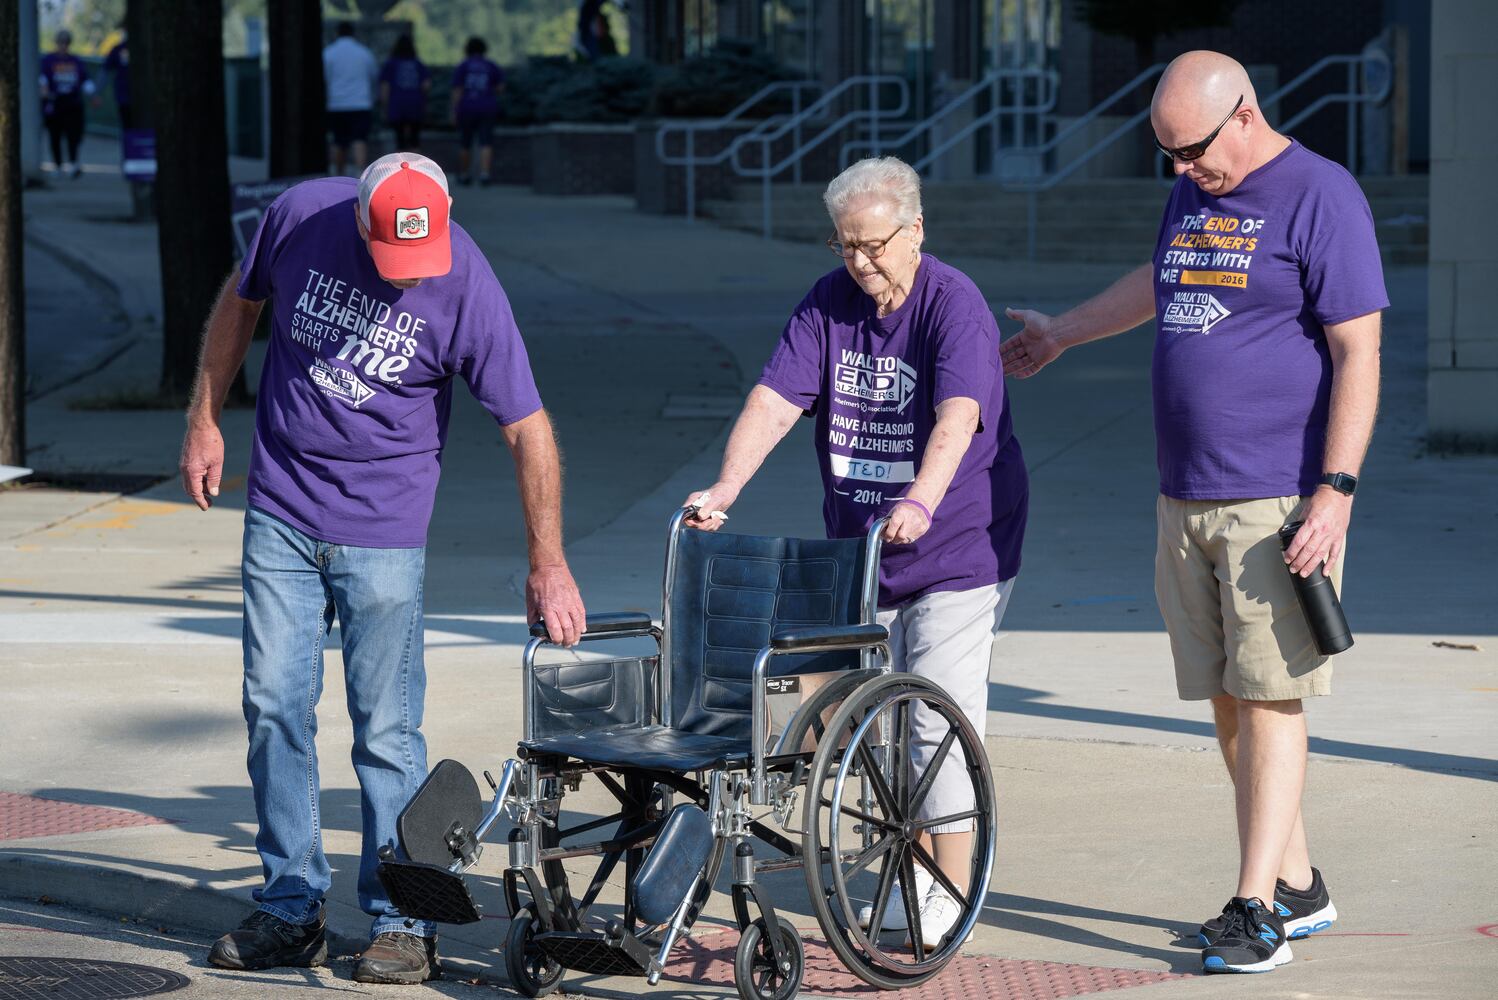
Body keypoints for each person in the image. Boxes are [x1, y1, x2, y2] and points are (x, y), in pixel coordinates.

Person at [1000, 51, 1385, 975]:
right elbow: (1162, 276)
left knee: (1270, 699)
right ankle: (1296, 884)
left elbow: (1359, 353)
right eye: (1167, 155)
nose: (1181, 172)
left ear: (1244, 114)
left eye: (1194, 153)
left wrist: (1335, 494)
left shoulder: (1320, 195)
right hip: (1187, 494)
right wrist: (1064, 332)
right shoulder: (1196, 190)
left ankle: (1255, 910)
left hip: (1278, 501)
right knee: (1223, 699)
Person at [181, 153, 586, 984]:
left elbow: (529, 428)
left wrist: (549, 561)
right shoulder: (300, 215)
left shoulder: (463, 274)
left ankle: (403, 918)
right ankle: (292, 905)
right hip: (283, 513)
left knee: (387, 733)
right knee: (273, 708)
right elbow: (241, 300)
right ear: (360, 222)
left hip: (385, 530)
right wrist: (205, 417)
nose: (409, 278)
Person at [684, 156, 1028, 952]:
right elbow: (774, 400)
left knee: (931, 718)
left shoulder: (954, 305)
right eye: (847, 246)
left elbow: (958, 416)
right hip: (862, 547)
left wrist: (919, 498)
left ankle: (946, 886)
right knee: (840, 708)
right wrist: (726, 485)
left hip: (957, 543)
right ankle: (894, 843)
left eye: (874, 244)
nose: (861, 261)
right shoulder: (829, 301)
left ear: (915, 232)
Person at [323, 21, 378, 175]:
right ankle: (362, 175)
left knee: (339, 142)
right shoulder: (364, 53)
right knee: (360, 140)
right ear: (353, 33)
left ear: (337, 33)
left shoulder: (329, 53)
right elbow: (373, 76)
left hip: (336, 104)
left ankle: (339, 174)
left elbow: (324, 79)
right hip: (361, 103)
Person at [450, 37, 505, 186]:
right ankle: (485, 174)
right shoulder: (491, 65)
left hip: (467, 107)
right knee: (486, 142)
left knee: (465, 143)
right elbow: (500, 88)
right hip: (487, 107)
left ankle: (465, 174)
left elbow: (457, 90)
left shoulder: (463, 66)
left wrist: (454, 111)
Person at [39, 29, 93, 179]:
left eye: (66, 42)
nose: (63, 45)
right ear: (56, 43)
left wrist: (93, 95)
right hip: (55, 103)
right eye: (60, 42)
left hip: (72, 103)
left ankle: (73, 163)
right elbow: (43, 80)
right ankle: (57, 165)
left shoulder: (76, 61)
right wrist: (44, 92)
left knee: (73, 135)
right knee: (54, 135)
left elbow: (84, 80)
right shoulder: (48, 60)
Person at [379, 34, 430, 152]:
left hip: (397, 104)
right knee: (415, 139)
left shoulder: (391, 63)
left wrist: (384, 105)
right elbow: (426, 85)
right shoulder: (418, 63)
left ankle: (401, 166)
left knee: (400, 140)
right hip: (415, 105)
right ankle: (416, 165)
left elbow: (385, 86)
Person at [103, 27, 131, 129]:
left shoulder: (143, 48)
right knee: (126, 125)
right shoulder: (118, 49)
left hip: (137, 97)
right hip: (123, 96)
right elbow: (105, 69)